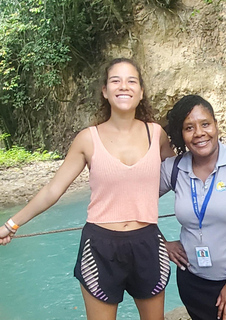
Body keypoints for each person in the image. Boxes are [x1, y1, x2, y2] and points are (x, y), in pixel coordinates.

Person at [0, 58, 175, 320]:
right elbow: (53, 189)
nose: (123, 86)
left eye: (131, 81)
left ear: (140, 92)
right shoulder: (87, 139)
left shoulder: (156, 134)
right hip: (100, 246)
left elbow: (182, 176)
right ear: (105, 91)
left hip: (147, 242)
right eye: (115, 80)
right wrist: (11, 225)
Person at [160, 95, 226, 320]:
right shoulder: (173, 169)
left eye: (205, 124)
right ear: (181, 134)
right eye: (189, 127)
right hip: (193, 283)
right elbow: (133, 203)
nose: (199, 133)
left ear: (216, 125)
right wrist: (162, 243)